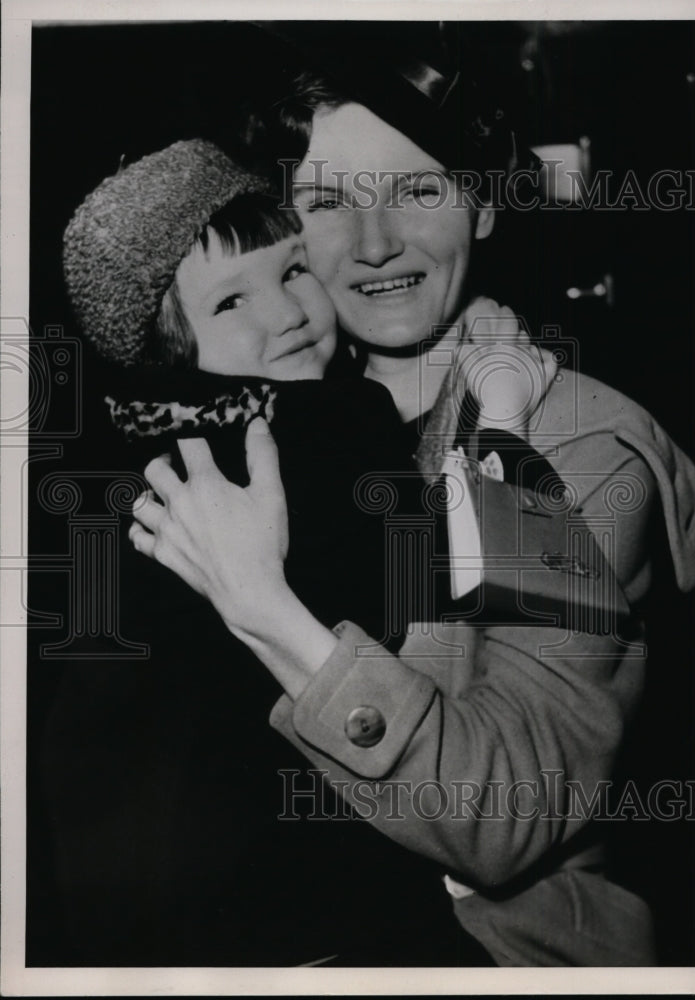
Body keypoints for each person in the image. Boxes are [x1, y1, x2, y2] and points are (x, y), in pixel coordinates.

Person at [130, 39, 695, 967]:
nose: (374, 245)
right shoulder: (280, 414)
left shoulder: (569, 445)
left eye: (418, 190)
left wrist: (264, 610)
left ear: (484, 204)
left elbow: (506, 815)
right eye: (327, 203)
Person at [40, 136, 552, 966]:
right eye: (230, 304)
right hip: (292, 906)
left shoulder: (144, 448)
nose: (285, 312)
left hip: (129, 901)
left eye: (290, 271)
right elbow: (451, 611)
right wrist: (494, 408)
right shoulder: (319, 436)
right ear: (169, 349)